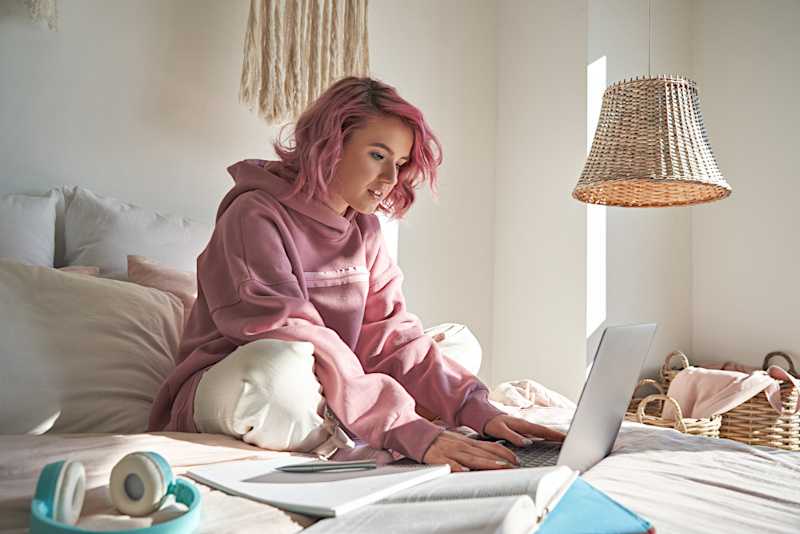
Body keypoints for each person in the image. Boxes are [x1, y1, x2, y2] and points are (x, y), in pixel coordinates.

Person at [148, 76, 564, 472]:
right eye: (378, 155)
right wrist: (403, 424)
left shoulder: (363, 226)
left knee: (456, 342)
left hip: (328, 377)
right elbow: (292, 333)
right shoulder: (253, 214)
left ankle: (356, 420)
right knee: (277, 371)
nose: (390, 179)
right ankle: (369, 422)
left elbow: (390, 334)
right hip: (237, 378)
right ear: (330, 144)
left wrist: (482, 411)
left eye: (399, 163)